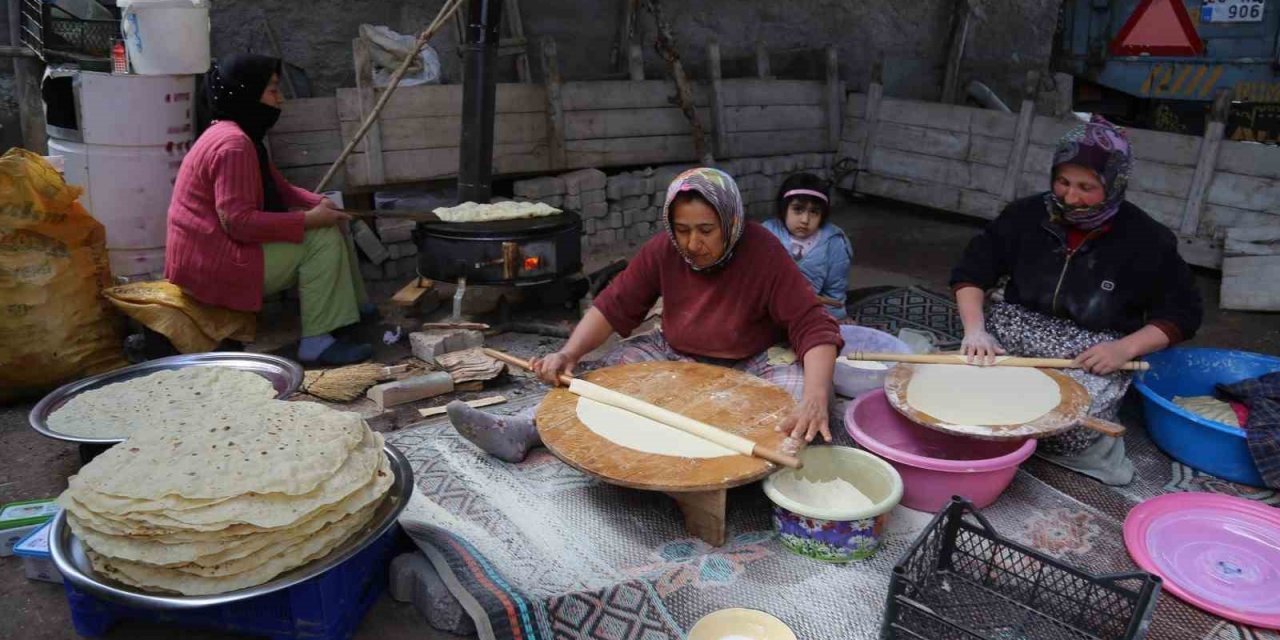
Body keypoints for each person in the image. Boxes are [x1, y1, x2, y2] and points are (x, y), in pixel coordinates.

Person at [447, 167, 843, 462]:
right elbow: (614, 305)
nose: (692, 243)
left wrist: (815, 396)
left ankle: (759, 459)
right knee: (599, 379)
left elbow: (812, 325)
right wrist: (569, 355)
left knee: (796, 391)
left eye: (706, 229)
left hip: (751, 359)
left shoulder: (764, 252)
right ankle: (520, 429)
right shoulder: (663, 250)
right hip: (675, 352)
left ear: (731, 221)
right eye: (682, 229)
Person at [950, 115, 1202, 485]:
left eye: (1087, 187)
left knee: (1066, 423)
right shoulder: (1024, 215)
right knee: (964, 392)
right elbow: (972, 271)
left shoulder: (1147, 239)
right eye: (1063, 181)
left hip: (1090, 350)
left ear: (1114, 184)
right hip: (1017, 328)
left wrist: (1124, 349)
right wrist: (975, 331)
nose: (1070, 197)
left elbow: (1183, 312)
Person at [165, 54, 374, 365]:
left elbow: (282, 189)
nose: (281, 100)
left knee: (332, 220)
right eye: (273, 90)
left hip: (212, 250)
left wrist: (317, 203)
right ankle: (316, 342)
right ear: (247, 92)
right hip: (211, 263)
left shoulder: (241, 135)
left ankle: (350, 312)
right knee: (322, 238)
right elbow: (238, 222)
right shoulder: (233, 145)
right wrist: (307, 219)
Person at [761, 173, 852, 320]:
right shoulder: (766, 233)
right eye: (798, 209)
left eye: (814, 212)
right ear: (784, 209)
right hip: (766, 308)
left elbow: (834, 289)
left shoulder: (833, 242)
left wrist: (836, 317)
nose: (805, 220)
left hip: (809, 311)